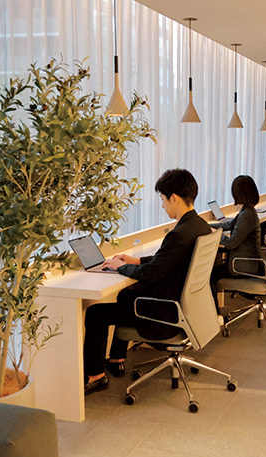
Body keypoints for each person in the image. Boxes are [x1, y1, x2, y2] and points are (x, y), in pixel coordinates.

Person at [82, 168, 211, 394]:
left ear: (174, 198)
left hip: (163, 315)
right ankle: (116, 359)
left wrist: (120, 266)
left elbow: (150, 273)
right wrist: (136, 260)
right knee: (125, 295)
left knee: (95, 313)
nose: (162, 206)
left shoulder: (179, 234)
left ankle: (96, 376)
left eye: (163, 200)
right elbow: (169, 259)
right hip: (183, 307)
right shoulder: (200, 226)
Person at [210, 175, 262, 306]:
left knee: (209, 275)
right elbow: (228, 225)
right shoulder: (247, 211)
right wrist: (207, 226)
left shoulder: (246, 215)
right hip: (248, 262)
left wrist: (216, 234)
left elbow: (230, 244)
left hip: (243, 266)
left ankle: (215, 313)